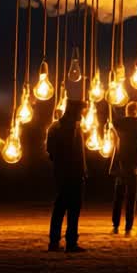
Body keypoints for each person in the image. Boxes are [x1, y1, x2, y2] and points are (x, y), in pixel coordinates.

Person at [46, 102, 87, 252]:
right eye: (81, 112)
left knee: (60, 207)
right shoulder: (73, 128)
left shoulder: (54, 127)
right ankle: (70, 243)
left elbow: (49, 151)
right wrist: (80, 170)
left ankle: (54, 242)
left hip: (63, 173)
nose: (82, 115)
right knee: (73, 209)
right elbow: (76, 153)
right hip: (73, 174)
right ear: (75, 111)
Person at [110, 101, 137, 236]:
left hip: (121, 165)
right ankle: (128, 228)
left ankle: (115, 226)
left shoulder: (117, 123)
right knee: (131, 198)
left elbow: (111, 138)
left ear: (126, 110)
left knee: (118, 197)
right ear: (136, 111)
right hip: (136, 166)